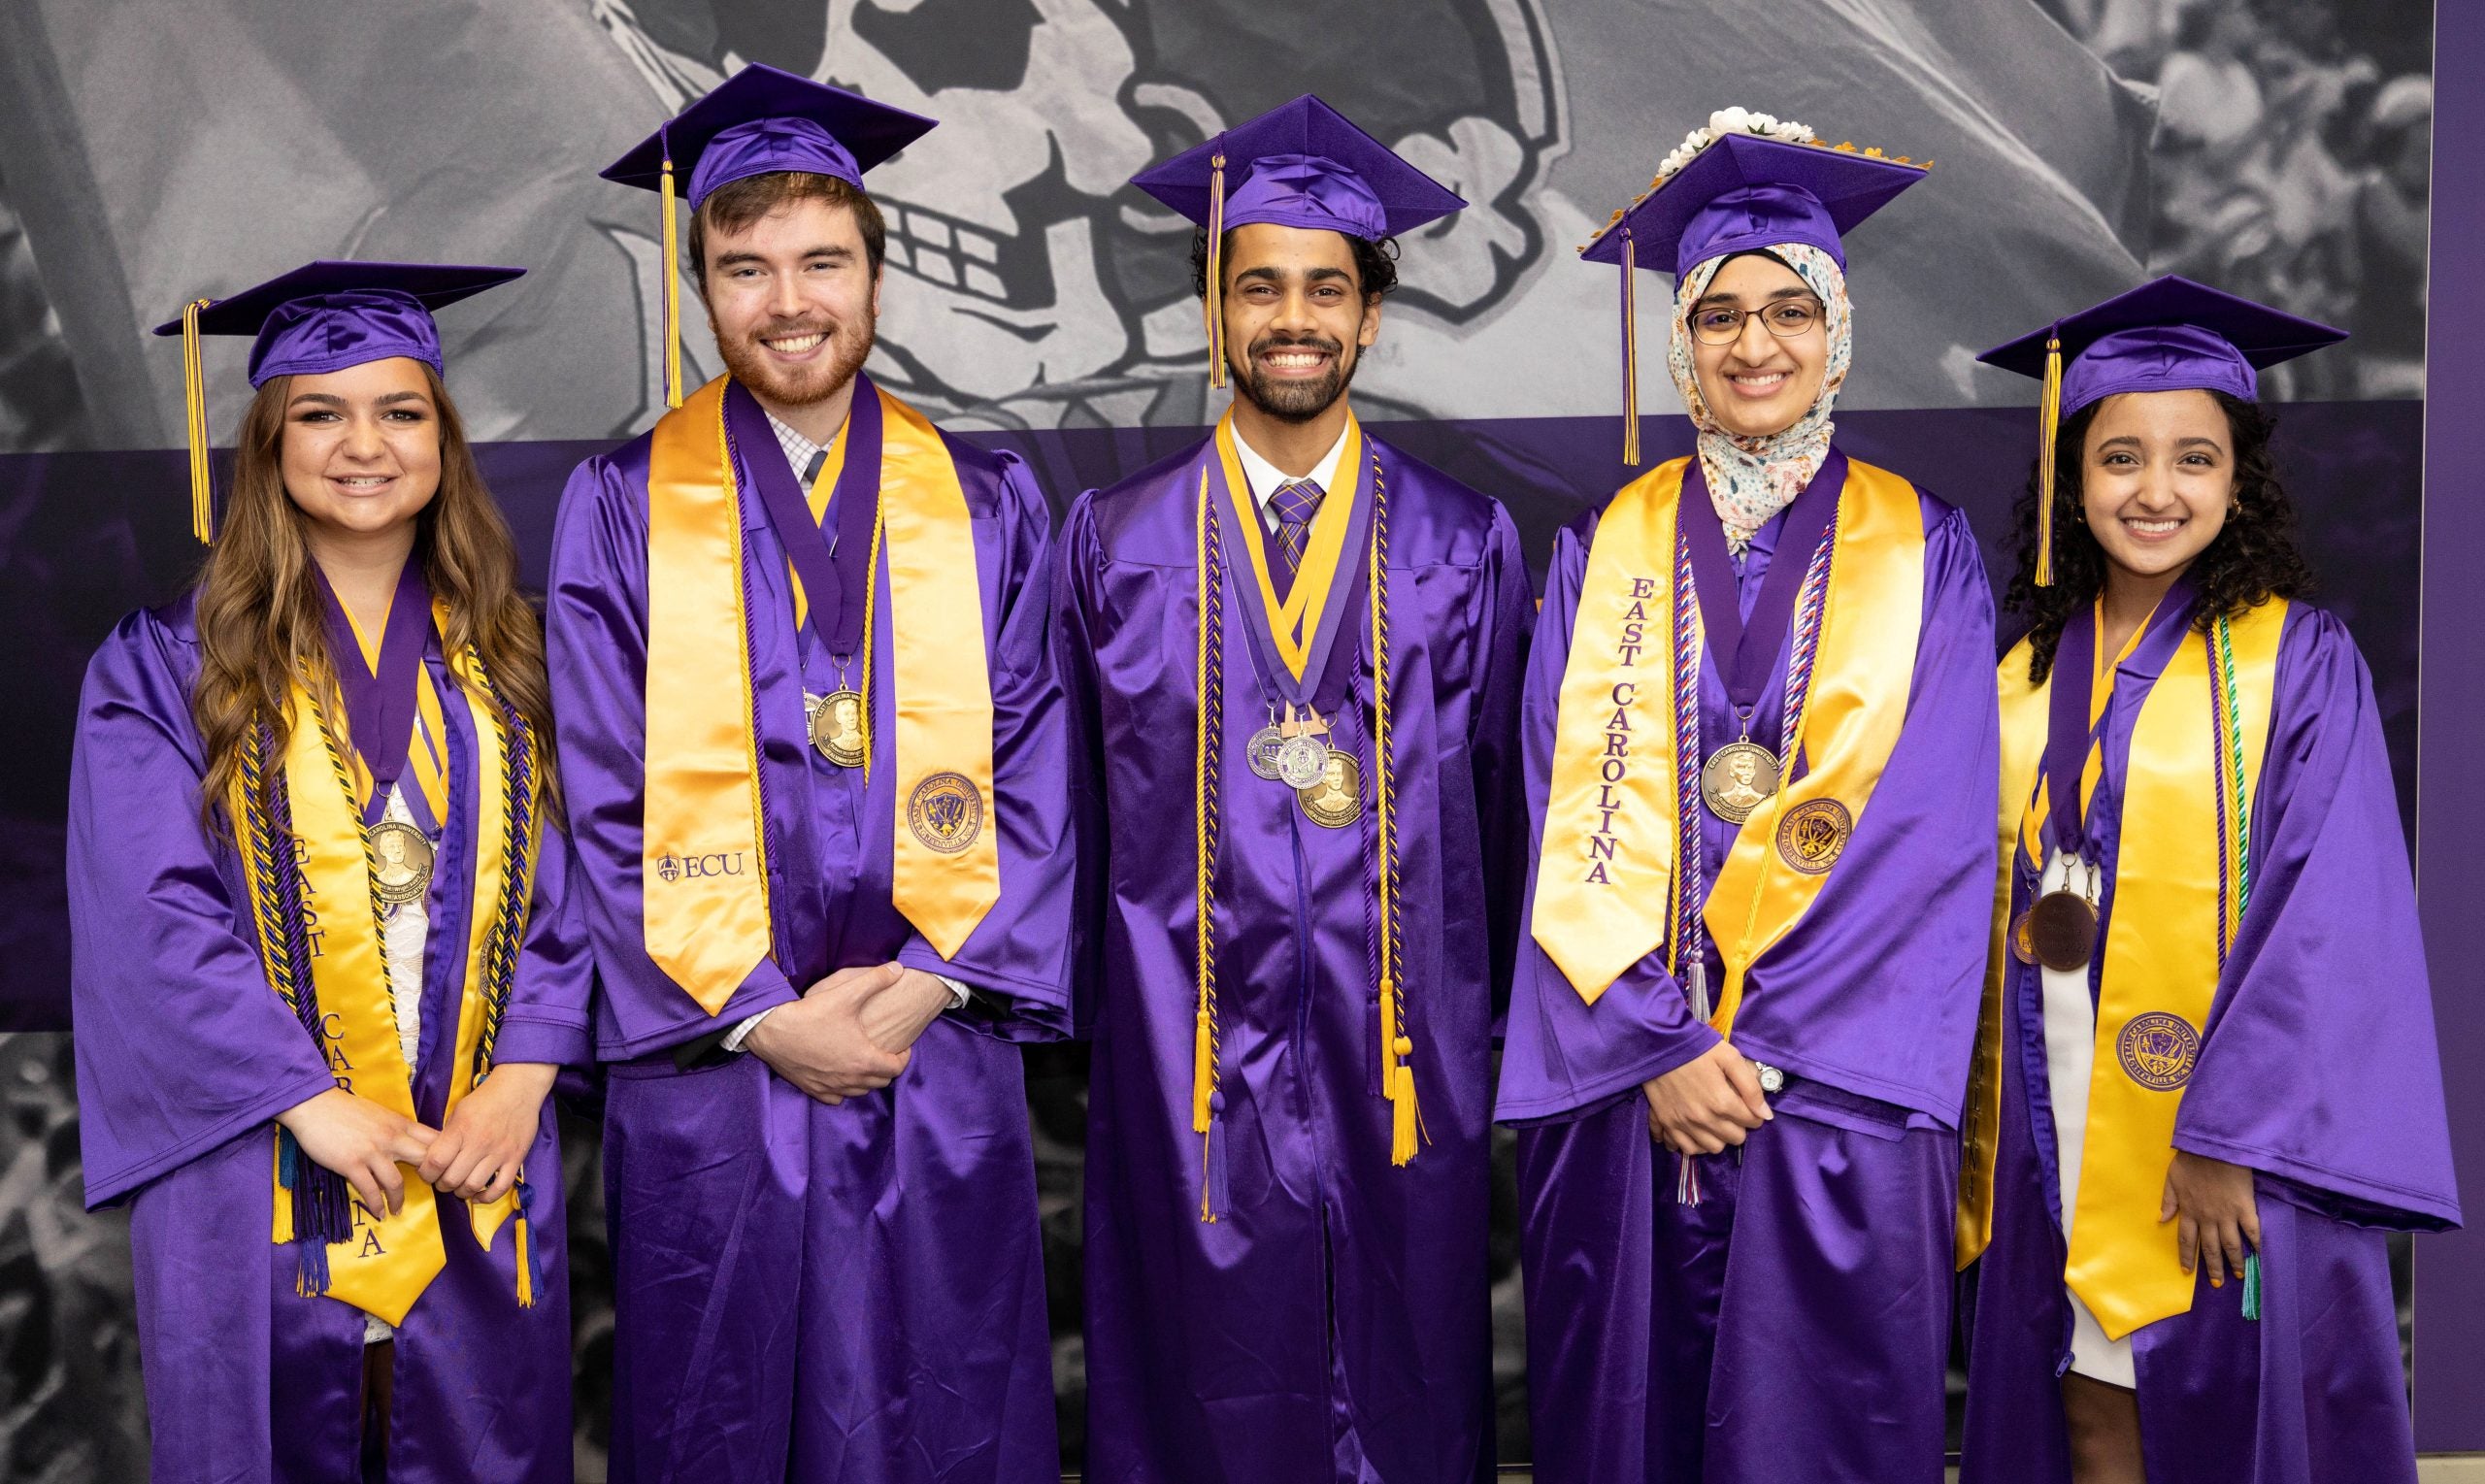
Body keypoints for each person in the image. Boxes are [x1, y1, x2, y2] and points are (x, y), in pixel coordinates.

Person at [546, 64, 1073, 1482]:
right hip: (718, 1057)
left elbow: (1034, 765)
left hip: (931, 1037)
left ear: (878, 278)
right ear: (702, 287)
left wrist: (919, 987)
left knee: (945, 1398)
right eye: (747, 266)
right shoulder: (618, 509)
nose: (789, 300)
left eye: (823, 261)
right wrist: (766, 1018)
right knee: (726, 1402)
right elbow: (597, 791)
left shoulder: (983, 498)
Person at [1495, 111, 2001, 1482]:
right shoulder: (1606, 547)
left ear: (1837, 335)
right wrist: (1660, 1047)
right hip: (1631, 1085)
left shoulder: (1926, 550)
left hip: (1827, 1094)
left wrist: (1758, 1049)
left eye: (1791, 309)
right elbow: (1555, 814)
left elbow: (1934, 837)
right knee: (1630, 1422)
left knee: (1816, 1431)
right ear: (1683, 345)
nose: (1755, 344)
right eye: (1721, 314)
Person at [1055, 94, 1533, 1481]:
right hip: (1179, 1055)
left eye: (1328, 287)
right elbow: (1071, 815)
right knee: (1194, 1372)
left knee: (1411, 1369)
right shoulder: (1117, 544)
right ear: (1213, 311)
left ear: (1373, 316)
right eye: (1256, 284)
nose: (1294, 317)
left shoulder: (1464, 542)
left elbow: (1503, 813)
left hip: (1408, 1061)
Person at [69, 261, 587, 1481]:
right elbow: (151, 916)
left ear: (445, 443)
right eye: (321, 412)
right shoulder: (163, 667)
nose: (365, 445)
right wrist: (307, 1099)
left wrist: (523, 1076)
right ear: (266, 444)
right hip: (259, 1166)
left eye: (400, 412)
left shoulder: (521, 658)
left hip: (475, 1153)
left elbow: (582, 885)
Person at [1956, 276, 2459, 1484]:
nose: (2154, 489)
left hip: (2221, 1125)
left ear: (2238, 486)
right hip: (2050, 1097)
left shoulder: (2294, 659)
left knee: (2236, 1414)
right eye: (2119, 456)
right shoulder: (2018, 667)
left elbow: (2324, 916)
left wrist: (2226, 1133)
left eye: (2193, 458)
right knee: (2087, 1407)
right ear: (2072, 481)